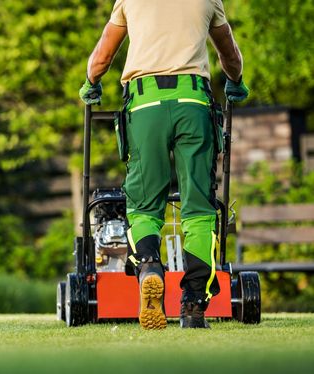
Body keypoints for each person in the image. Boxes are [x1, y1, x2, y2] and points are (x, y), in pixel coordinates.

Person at [79, 0, 249, 329]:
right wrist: (236, 81)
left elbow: (102, 56)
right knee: (199, 209)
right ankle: (193, 305)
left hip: (145, 106)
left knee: (144, 205)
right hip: (193, 102)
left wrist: (92, 82)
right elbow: (229, 53)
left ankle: (148, 267)